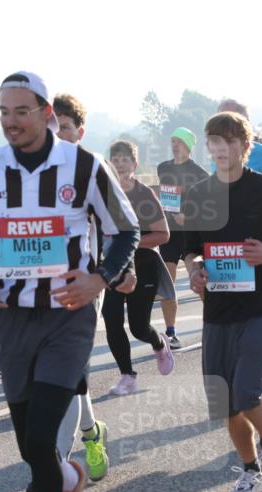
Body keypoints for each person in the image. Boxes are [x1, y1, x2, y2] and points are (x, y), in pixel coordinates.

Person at [0, 72, 139, 492]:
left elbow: (124, 230)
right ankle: (65, 481)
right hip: (12, 319)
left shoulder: (84, 165)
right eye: (4, 111)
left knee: (42, 437)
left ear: (45, 113)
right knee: (30, 446)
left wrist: (99, 277)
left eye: (21, 110)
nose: (11, 121)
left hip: (68, 315)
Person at [182, 111, 262, 492]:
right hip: (218, 311)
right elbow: (189, 247)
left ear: (245, 146)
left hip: (261, 308)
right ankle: (250, 469)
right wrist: (194, 271)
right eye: (214, 143)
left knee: (246, 389)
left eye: (228, 142)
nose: (220, 149)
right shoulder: (200, 193)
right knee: (225, 401)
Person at [49, 92, 110, 482]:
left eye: (65, 127)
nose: (57, 133)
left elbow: (119, 229)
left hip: (83, 287)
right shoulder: (26, 169)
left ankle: (53, 463)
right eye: (52, 125)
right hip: (35, 291)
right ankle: (91, 432)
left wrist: (110, 273)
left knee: (68, 374)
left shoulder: (91, 169)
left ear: (79, 132)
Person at [215, 99, 262, 406]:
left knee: (258, 331)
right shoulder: (215, 157)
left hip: (258, 256)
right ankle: (244, 396)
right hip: (224, 256)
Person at [102, 140, 175, 395]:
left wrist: (128, 245)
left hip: (144, 267)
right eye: (115, 159)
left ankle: (159, 344)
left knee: (138, 327)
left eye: (125, 160)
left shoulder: (144, 194)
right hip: (112, 268)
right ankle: (127, 375)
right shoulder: (103, 192)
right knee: (111, 319)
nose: (120, 164)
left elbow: (163, 234)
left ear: (134, 165)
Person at [157, 127, 209, 348]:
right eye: (173, 140)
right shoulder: (163, 168)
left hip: (190, 234)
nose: (175, 144)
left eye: (179, 141)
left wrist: (188, 216)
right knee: (168, 284)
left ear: (188, 145)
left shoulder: (199, 174)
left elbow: (208, 206)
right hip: (168, 233)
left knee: (199, 282)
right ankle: (171, 333)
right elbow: (165, 194)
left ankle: (213, 326)